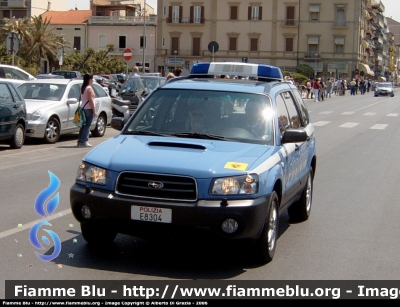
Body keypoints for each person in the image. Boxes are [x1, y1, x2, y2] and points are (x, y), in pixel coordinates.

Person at [77, 73, 97, 148]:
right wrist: (94, 110)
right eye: (92, 79)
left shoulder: (83, 87)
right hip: (88, 108)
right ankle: (84, 141)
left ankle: (80, 141)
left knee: (83, 125)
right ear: (89, 79)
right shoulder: (89, 88)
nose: (92, 81)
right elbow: (90, 100)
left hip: (83, 107)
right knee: (87, 125)